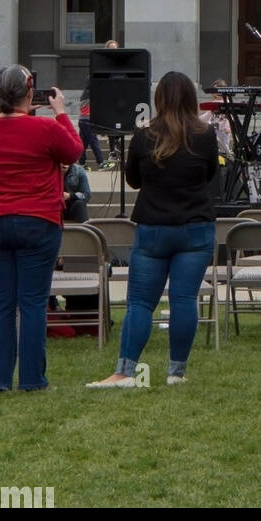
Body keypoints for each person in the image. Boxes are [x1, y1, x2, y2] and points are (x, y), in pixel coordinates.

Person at [87, 71, 218, 388]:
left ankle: (125, 370)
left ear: (158, 99)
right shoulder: (205, 134)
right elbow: (211, 175)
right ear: (191, 98)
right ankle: (176, 372)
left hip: (154, 227)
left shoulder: (145, 136)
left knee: (141, 303)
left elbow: (133, 179)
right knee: (184, 299)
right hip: (196, 227)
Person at [0, 65, 82, 392]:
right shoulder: (45, 129)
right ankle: (33, 379)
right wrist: (60, 112)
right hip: (37, 220)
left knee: (0, 300)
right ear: (31, 94)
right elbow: (73, 151)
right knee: (32, 302)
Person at [79, 38, 122, 169]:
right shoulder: (100, 62)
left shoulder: (119, 63)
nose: (113, 51)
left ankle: (85, 160)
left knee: (87, 134)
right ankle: (97, 161)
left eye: (115, 49)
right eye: (110, 49)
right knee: (88, 132)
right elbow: (92, 78)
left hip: (108, 96)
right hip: (94, 98)